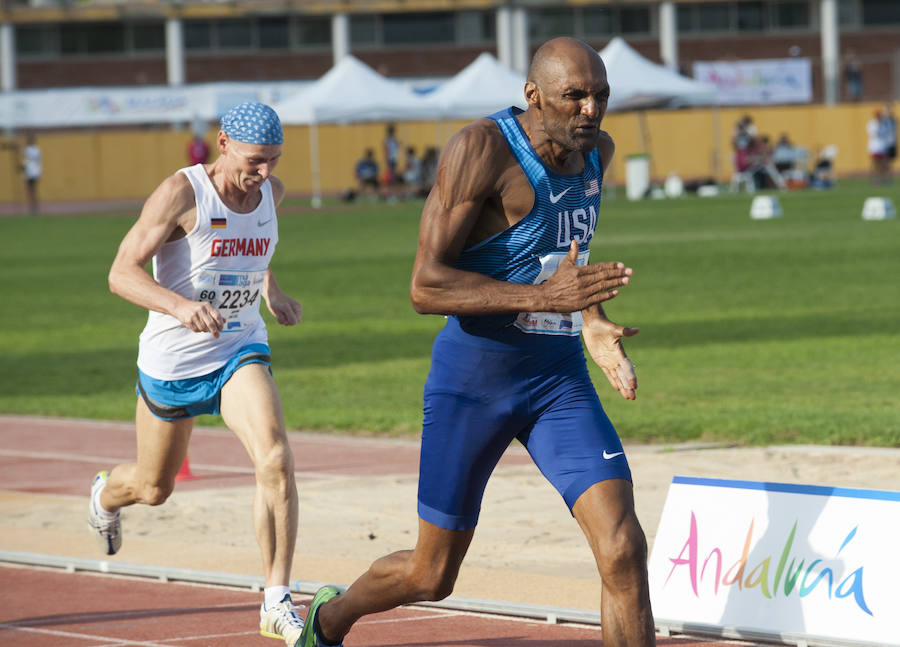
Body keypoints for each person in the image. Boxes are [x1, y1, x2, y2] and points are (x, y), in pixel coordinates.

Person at [299, 37, 655, 647]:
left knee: (623, 548)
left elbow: (568, 255)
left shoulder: (598, 151)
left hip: (556, 379)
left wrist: (589, 319)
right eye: (575, 97)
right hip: (474, 380)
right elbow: (425, 285)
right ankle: (328, 620)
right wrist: (546, 300)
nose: (591, 111)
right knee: (431, 573)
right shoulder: (481, 149)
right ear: (532, 95)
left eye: (600, 96)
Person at [91, 102, 307, 646]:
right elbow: (121, 272)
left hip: (238, 346)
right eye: (256, 161)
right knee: (153, 486)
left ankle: (276, 599)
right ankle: (104, 497)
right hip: (173, 360)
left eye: (274, 161)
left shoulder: (271, 195)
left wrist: (270, 291)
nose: (264, 174)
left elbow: (250, 253)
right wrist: (178, 306)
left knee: (276, 459)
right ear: (224, 142)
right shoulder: (181, 193)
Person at [867, 109, 891, 185]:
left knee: (883, 165)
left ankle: (882, 179)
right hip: (874, 147)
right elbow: (874, 134)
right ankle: (875, 180)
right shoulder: (872, 124)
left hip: (882, 147)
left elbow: (886, 135)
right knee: (875, 165)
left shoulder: (884, 124)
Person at [22, 134, 42, 215]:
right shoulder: (35, 149)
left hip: (33, 172)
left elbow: (26, 154)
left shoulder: (33, 150)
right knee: (30, 191)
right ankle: (32, 208)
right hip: (30, 172)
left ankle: (34, 208)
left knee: (32, 191)